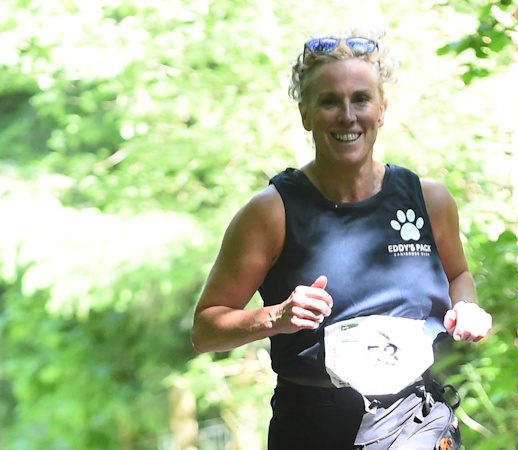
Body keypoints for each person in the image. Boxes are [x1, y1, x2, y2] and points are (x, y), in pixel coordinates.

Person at [190, 30, 495, 450]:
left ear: (382, 109)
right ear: (306, 113)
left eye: (361, 100)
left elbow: (457, 273)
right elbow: (206, 329)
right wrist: (276, 319)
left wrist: (467, 307)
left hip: (416, 420)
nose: (347, 115)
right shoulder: (271, 213)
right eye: (330, 101)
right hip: (314, 427)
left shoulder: (429, 199)